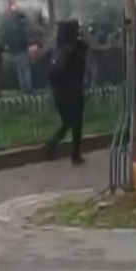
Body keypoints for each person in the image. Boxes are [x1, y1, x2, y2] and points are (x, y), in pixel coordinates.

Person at [46, 20, 90, 164]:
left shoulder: (58, 49)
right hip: (72, 90)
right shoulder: (72, 49)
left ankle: (53, 144)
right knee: (76, 123)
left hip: (59, 93)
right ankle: (75, 155)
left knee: (68, 121)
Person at [3, 10, 33, 93]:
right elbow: (24, 39)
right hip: (23, 50)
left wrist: (12, 49)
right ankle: (28, 87)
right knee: (26, 69)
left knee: (20, 70)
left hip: (16, 52)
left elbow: (9, 39)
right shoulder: (22, 27)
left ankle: (22, 87)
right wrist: (28, 44)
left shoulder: (12, 27)